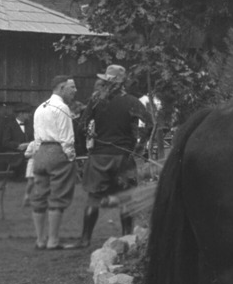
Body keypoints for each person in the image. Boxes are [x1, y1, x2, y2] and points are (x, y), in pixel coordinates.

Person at [79, 65, 152, 249]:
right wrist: (139, 147)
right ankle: (127, 238)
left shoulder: (96, 100)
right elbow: (150, 123)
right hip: (123, 156)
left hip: (99, 156)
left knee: (94, 198)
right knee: (125, 198)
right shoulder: (132, 102)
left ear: (107, 81)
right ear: (123, 82)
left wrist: (91, 134)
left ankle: (85, 239)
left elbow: (82, 125)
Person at [29, 77, 81, 249]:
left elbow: (36, 137)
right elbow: (67, 138)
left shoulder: (40, 108)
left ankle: (40, 240)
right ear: (61, 87)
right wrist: (71, 157)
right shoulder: (62, 108)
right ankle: (53, 240)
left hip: (40, 153)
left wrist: (37, 154)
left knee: (39, 195)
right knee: (58, 195)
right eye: (72, 87)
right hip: (57, 152)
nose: (75, 91)